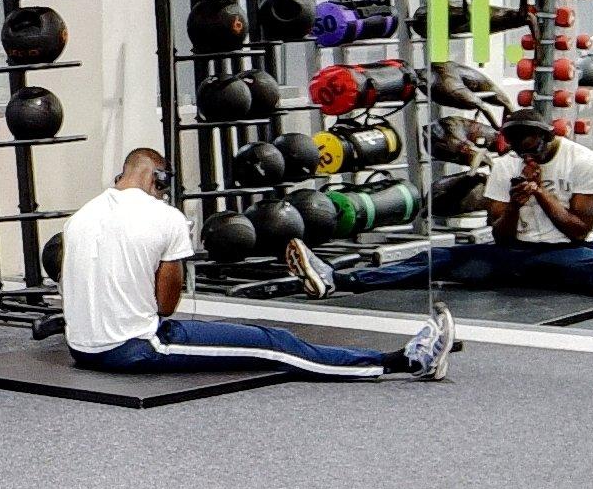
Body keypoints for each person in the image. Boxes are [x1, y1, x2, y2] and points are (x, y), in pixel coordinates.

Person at [58, 145, 451, 380]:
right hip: (135, 347)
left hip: (82, 347)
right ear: (156, 180)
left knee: (246, 336)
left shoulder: (80, 216)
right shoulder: (166, 217)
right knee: (272, 343)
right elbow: (165, 306)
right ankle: (403, 363)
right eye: (163, 187)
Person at [332, 92, 593, 327]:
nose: (522, 154)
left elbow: (578, 231)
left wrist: (540, 193)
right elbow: (500, 234)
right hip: (512, 254)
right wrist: (516, 204)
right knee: (438, 258)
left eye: (528, 146)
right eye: (516, 148)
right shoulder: (506, 165)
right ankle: (343, 281)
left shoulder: (586, 163)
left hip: (566, 252)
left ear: (546, 137)